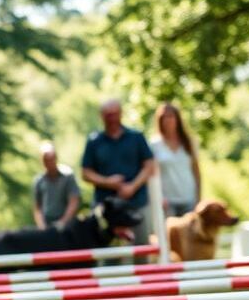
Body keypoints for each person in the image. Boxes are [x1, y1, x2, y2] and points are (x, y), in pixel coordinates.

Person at [81, 98, 156, 247]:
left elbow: (149, 166)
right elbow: (85, 172)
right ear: (102, 116)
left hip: (136, 203)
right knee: (107, 253)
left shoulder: (136, 137)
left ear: (121, 114)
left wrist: (132, 187)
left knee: (141, 248)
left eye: (115, 114)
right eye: (108, 115)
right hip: (106, 208)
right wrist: (107, 182)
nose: (112, 118)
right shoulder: (94, 141)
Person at [150, 102, 200, 217]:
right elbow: (152, 174)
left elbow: (196, 171)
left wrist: (198, 198)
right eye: (164, 117)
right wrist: (159, 197)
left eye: (171, 116)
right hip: (167, 201)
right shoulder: (154, 144)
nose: (168, 120)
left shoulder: (189, 142)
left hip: (189, 198)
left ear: (177, 119)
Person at [32, 141, 80, 229]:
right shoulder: (39, 181)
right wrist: (41, 226)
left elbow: (74, 202)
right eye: (46, 160)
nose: (49, 163)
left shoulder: (68, 176)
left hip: (67, 225)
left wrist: (62, 222)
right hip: (47, 224)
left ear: (56, 158)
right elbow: (37, 207)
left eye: (51, 159)